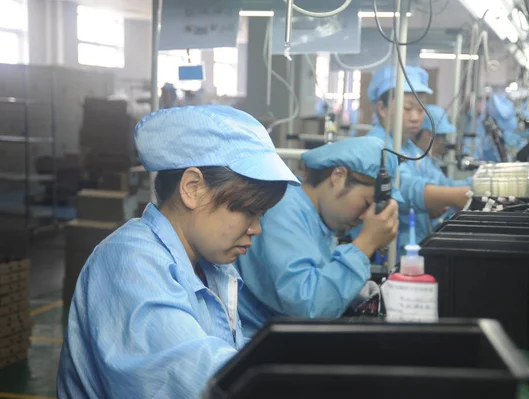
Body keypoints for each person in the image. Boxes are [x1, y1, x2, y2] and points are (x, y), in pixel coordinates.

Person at [57, 105, 300, 398]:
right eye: (247, 209)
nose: (256, 229)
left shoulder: (210, 264)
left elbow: (226, 352)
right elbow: (190, 378)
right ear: (193, 188)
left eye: (261, 213)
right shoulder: (129, 262)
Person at [235, 137, 400, 338]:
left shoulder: (319, 221)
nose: (366, 217)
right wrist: (366, 243)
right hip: (260, 345)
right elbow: (308, 307)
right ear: (338, 175)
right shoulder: (284, 210)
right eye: (367, 203)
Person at [366, 65, 470, 247]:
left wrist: (477, 187)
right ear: (382, 109)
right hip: (392, 249)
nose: (415, 117)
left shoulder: (410, 147)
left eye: (421, 110)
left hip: (416, 242)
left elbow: (440, 183)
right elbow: (403, 189)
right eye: (407, 109)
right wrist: (453, 196)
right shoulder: (375, 146)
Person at [414, 105, 473, 187]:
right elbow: (443, 186)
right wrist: (474, 183)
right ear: (427, 134)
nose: (442, 143)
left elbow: (443, 183)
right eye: (440, 136)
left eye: (444, 136)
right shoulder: (417, 160)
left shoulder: (428, 160)